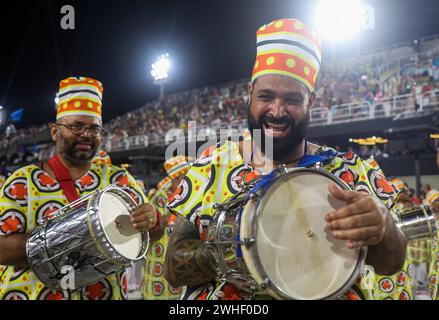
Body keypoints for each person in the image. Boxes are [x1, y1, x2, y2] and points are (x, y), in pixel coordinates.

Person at [164, 18, 407, 300]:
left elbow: (392, 262)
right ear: (250, 94)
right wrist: (249, 251)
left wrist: (384, 225)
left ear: (311, 101)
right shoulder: (211, 167)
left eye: (292, 99)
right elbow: (172, 267)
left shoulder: (349, 171)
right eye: (266, 96)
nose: (277, 111)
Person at [0, 77, 163, 300]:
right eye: (76, 126)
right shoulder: (23, 182)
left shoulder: (119, 179)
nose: (86, 134)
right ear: (55, 131)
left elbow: (153, 233)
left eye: (94, 129)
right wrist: (75, 240)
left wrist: (152, 220)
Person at [142, 156, 191, 300]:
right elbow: (151, 229)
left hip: (182, 262)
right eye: (181, 178)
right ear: (174, 180)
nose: (185, 182)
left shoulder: (190, 195)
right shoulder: (159, 197)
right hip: (160, 260)